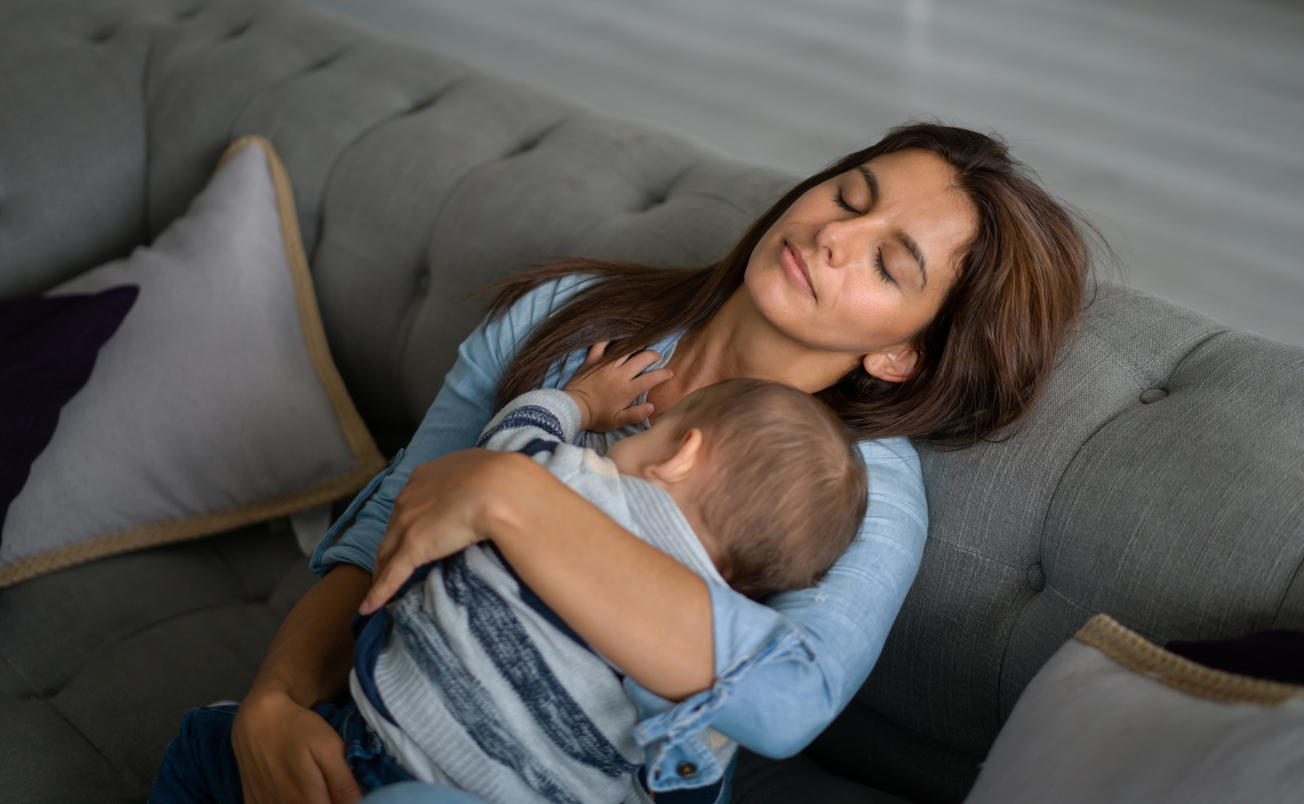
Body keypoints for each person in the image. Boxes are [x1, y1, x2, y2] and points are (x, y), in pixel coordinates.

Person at [229, 123, 1096, 804]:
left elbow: (790, 699)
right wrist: (272, 705)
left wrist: (513, 497)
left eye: (885, 262)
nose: (835, 232)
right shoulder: (570, 319)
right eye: (848, 194)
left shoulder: (863, 484)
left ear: (902, 356)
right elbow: (388, 530)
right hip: (386, 713)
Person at [153, 363, 869, 804]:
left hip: (370, 748)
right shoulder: (710, 678)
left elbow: (507, 438)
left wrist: (581, 403)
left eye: (652, 432)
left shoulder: (566, 479)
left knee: (200, 744)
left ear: (681, 454)